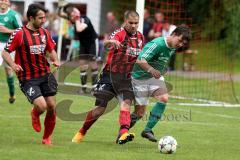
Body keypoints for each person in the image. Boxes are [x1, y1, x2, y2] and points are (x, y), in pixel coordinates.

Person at [71, 10, 144, 144]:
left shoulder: (140, 38)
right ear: (125, 21)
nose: (133, 26)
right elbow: (106, 43)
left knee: (125, 104)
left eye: (136, 23)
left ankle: (123, 134)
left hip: (126, 78)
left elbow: (139, 58)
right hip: (109, 76)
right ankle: (82, 131)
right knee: (99, 110)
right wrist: (111, 42)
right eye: (131, 23)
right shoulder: (119, 33)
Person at [1, 3, 60, 145]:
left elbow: (51, 49)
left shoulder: (45, 33)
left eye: (44, 17)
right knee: (41, 106)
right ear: (31, 18)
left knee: (51, 106)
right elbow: (5, 52)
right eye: (40, 18)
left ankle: (46, 138)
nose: (43, 20)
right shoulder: (19, 34)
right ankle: (35, 113)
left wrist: (56, 59)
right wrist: (13, 64)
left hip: (45, 74)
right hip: (28, 78)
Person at [130, 26, 191, 142]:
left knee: (164, 98)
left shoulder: (173, 47)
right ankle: (122, 132)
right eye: (180, 40)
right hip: (140, 78)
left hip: (154, 78)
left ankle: (147, 130)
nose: (180, 44)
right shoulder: (157, 44)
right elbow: (140, 60)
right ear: (173, 34)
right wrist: (152, 70)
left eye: (183, 43)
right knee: (139, 113)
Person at [59, 6, 99, 92]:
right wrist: (61, 6)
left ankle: (95, 88)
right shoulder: (73, 19)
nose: (76, 13)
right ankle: (83, 88)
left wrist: (76, 19)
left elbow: (79, 29)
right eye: (73, 14)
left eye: (76, 12)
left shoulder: (85, 19)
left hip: (92, 42)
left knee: (93, 64)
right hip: (83, 44)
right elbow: (60, 14)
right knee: (82, 65)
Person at [0, 0, 22, 103]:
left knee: (9, 71)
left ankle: (12, 95)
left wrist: (7, 30)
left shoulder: (13, 15)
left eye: (5, 0)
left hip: (9, 46)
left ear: (8, 2)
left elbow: (22, 31)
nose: (2, 2)